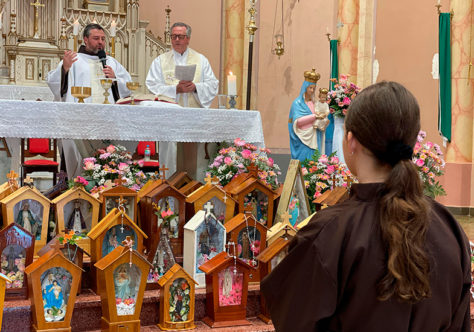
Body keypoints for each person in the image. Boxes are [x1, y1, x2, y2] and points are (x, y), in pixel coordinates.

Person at [262, 81, 471, 331]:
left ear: (351, 141)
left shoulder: (328, 233)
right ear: (412, 142)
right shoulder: (451, 230)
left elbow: (293, 319)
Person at [47, 23, 133, 179]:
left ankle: (107, 185)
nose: (100, 42)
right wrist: (64, 69)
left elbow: (128, 87)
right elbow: (54, 83)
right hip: (80, 120)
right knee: (79, 162)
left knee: (107, 159)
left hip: (107, 120)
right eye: (96, 38)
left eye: (102, 39)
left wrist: (115, 79)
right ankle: (78, 187)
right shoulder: (74, 59)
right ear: (85, 39)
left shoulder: (111, 62)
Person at [146, 22, 219, 175]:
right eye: (173, 36)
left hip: (193, 118)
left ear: (188, 38)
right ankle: (169, 193)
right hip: (169, 118)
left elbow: (213, 84)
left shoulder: (201, 60)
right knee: (171, 157)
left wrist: (196, 88)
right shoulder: (160, 61)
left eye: (181, 36)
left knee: (193, 159)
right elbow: (151, 85)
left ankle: (192, 192)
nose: (177, 39)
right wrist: (174, 89)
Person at [288, 69, 321, 162]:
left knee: (313, 163)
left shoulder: (314, 103)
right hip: (301, 137)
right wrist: (314, 116)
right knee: (303, 162)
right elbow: (298, 122)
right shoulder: (297, 103)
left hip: (314, 135)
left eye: (314, 88)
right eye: (310, 88)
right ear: (305, 87)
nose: (312, 90)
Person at [313, 88, 330, 154]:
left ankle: (323, 127)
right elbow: (316, 109)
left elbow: (327, 110)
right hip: (319, 115)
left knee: (326, 121)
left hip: (324, 116)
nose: (323, 99)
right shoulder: (317, 103)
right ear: (319, 97)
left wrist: (325, 114)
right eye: (322, 97)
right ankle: (316, 125)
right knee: (318, 120)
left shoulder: (326, 104)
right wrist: (319, 114)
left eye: (324, 98)